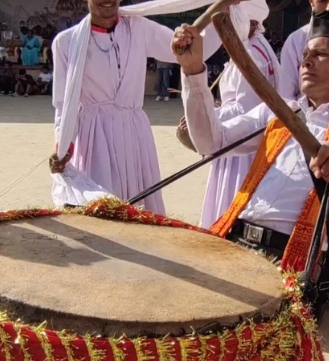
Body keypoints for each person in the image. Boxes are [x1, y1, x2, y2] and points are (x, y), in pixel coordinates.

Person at [174, 11, 329, 320]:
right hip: (234, 242)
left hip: (291, 264)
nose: (305, 62)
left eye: (319, 54)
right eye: (305, 55)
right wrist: (193, 71)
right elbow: (209, 141)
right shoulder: (280, 111)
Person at [48, 0, 235, 214]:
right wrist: (63, 147)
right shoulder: (66, 42)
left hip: (134, 132)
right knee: (102, 210)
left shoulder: (138, 27)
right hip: (95, 136)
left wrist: (224, 7)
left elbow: (192, 47)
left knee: (139, 209)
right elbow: (63, 104)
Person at [198, 11, 280, 230]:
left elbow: (247, 109)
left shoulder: (251, 53)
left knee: (232, 206)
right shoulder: (256, 46)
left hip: (241, 143)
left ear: (251, 21)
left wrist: (209, 116)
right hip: (243, 136)